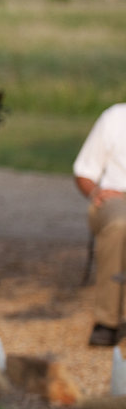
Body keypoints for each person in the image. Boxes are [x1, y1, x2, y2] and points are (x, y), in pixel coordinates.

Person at [73, 102, 126, 347]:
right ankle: (108, 321)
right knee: (120, 224)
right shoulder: (115, 118)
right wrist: (96, 192)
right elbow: (84, 172)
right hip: (115, 200)